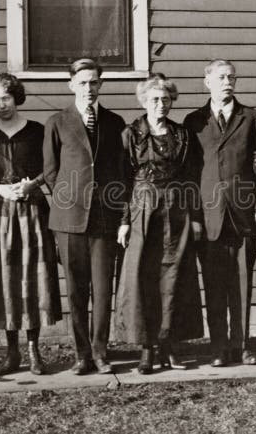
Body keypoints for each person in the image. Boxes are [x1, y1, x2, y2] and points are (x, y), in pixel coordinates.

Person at [113, 75, 204, 374]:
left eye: (165, 99)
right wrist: (125, 221)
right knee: (143, 277)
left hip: (177, 211)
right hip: (142, 209)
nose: (160, 104)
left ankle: (170, 346)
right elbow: (122, 180)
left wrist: (196, 218)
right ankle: (147, 349)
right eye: (154, 99)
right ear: (143, 101)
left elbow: (193, 177)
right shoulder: (131, 134)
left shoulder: (183, 135)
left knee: (174, 277)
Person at [183, 59, 256, 367]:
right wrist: (193, 217)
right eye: (221, 77)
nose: (227, 82)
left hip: (244, 214)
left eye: (231, 77)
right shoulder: (194, 122)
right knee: (215, 285)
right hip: (209, 217)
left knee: (241, 285)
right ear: (207, 82)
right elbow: (189, 175)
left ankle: (242, 345)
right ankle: (219, 347)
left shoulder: (251, 117)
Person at [43, 58, 126, 375]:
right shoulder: (57, 122)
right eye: (82, 83)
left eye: (94, 82)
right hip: (69, 220)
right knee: (77, 291)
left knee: (103, 291)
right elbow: (51, 172)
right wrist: (71, 200)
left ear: (101, 85)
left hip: (105, 219)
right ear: (71, 85)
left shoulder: (115, 122)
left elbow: (120, 170)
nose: (88, 88)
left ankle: (101, 351)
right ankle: (82, 355)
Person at [0, 73, 62, 376]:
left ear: (16, 97)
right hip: (0, 212)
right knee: (7, 278)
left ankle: (33, 350)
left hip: (32, 210)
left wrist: (31, 185)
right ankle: (12, 352)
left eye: (6, 98)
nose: (2, 105)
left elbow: (51, 168)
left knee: (34, 277)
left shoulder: (37, 131)